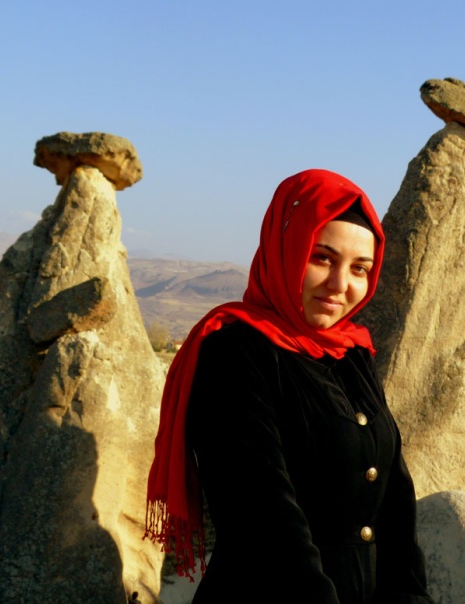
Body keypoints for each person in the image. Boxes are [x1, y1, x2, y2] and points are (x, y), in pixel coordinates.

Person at [145, 169, 432, 604]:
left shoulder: (352, 353)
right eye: (322, 258)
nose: (340, 285)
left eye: (360, 268)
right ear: (286, 249)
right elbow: (264, 516)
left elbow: (395, 501)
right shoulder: (235, 352)